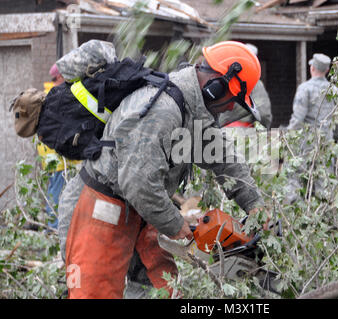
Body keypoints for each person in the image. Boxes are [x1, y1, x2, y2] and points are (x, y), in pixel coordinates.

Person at [58, 41, 267, 298]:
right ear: (215, 87)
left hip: (140, 211)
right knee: (95, 293)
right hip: (101, 210)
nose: (229, 109)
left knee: (162, 289)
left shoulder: (191, 110)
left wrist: (255, 206)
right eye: (231, 100)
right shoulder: (162, 110)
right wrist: (175, 223)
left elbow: (224, 158)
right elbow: (138, 183)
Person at [284, 53, 337, 203]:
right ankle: (324, 214)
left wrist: (288, 137)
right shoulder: (333, 90)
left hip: (305, 142)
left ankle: (295, 212)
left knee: (294, 176)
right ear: (327, 70)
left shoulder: (305, 88)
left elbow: (298, 118)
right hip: (326, 141)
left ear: (312, 68)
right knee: (324, 179)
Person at [38, 64, 81, 229]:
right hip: (57, 154)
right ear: (60, 77)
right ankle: (54, 227)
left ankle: (55, 225)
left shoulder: (49, 94)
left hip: (53, 153)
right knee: (57, 191)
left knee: (57, 189)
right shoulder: (57, 95)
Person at [218, 43, 272, 129]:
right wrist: (264, 129)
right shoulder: (255, 83)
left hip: (220, 133)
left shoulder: (223, 78)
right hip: (244, 134)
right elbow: (263, 114)